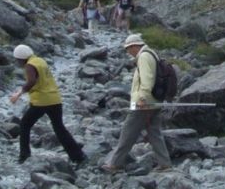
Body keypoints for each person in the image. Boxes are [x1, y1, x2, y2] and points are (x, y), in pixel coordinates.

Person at [101, 34, 172, 173]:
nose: (128, 52)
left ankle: (115, 164)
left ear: (135, 46)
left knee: (128, 132)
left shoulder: (144, 56)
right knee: (154, 132)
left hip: (145, 103)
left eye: (129, 48)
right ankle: (165, 163)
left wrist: (142, 98)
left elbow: (147, 80)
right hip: (154, 101)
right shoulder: (152, 54)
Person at [9, 44, 86, 165]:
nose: (17, 62)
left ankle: (24, 156)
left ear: (20, 58)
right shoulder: (39, 60)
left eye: (17, 60)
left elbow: (32, 81)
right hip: (55, 99)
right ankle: (78, 157)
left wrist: (18, 93)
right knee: (59, 128)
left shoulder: (29, 65)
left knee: (24, 125)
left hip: (41, 101)